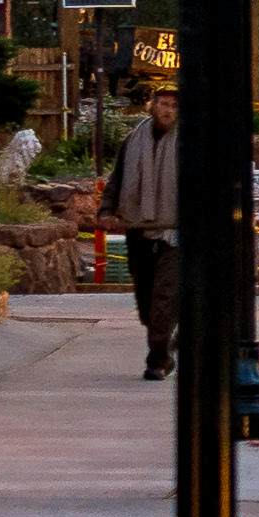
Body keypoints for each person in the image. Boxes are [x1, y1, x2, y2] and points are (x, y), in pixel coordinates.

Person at [108, 96, 181, 383]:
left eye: (175, 106)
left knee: (164, 297)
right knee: (146, 301)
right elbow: (118, 178)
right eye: (163, 104)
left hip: (175, 232)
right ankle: (163, 341)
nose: (168, 111)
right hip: (139, 229)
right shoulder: (133, 139)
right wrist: (106, 209)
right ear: (152, 107)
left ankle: (157, 360)